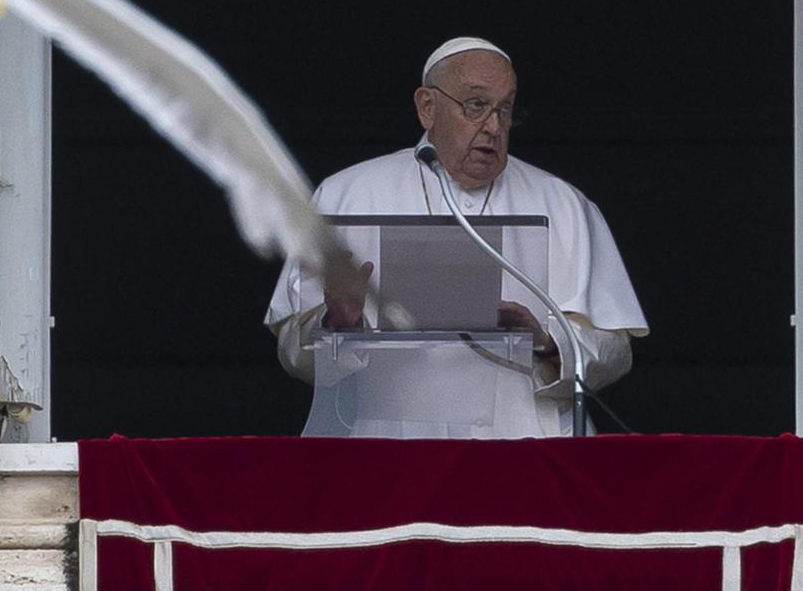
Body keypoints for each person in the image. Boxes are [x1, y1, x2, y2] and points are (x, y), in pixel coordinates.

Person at [265, 37, 648, 436]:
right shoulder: (344, 196)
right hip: (391, 446)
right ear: (427, 107)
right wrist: (339, 325)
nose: (494, 127)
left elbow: (615, 352)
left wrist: (547, 341)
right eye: (476, 105)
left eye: (505, 109)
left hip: (522, 444)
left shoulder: (563, 204)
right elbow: (292, 351)